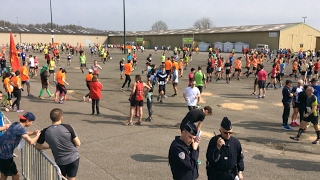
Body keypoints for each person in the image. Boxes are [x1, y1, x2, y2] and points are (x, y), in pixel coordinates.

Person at [36, 108, 81, 180]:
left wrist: (50, 146)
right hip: (74, 158)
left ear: (51, 118)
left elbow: (38, 146)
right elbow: (78, 143)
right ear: (61, 118)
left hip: (60, 160)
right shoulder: (68, 127)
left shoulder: (45, 131)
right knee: (72, 178)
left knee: (62, 177)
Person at [0, 112, 40, 180]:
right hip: (5, 155)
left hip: (2, 152)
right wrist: (38, 136)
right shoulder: (20, 128)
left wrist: (33, 133)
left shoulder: (15, 124)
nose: (31, 124)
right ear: (27, 121)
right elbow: (31, 141)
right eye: (32, 122)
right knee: (16, 175)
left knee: (4, 174)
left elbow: (24, 133)